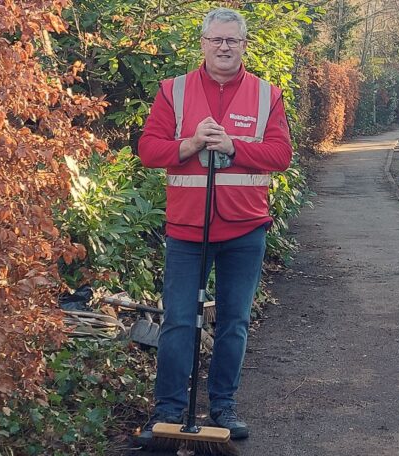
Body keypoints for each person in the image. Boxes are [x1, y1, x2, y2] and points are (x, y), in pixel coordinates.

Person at [135, 7, 292, 444]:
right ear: (203, 44)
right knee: (179, 321)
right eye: (216, 40)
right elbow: (148, 149)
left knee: (234, 322)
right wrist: (188, 144)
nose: (224, 47)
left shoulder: (267, 95)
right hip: (187, 230)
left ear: (244, 45)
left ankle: (223, 406)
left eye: (232, 41)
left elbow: (281, 155)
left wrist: (233, 146)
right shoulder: (174, 92)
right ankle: (166, 411)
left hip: (245, 229)